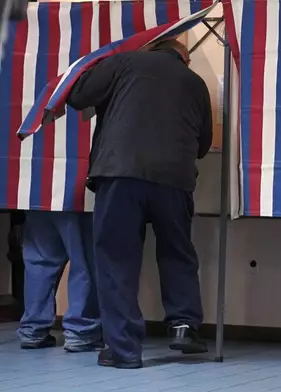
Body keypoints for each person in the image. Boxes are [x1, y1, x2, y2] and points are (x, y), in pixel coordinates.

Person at [66, 39, 213, 369]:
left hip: (121, 173)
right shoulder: (195, 82)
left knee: (117, 258)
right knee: (177, 251)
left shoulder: (124, 63)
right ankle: (184, 325)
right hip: (174, 179)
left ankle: (124, 350)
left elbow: (77, 97)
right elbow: (203, 144)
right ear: (183, 58)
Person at [17, 211, 102, 352]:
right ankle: (81, 331)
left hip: (35, 195)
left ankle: (32, 329)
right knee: (83, 260)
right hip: (75, 196)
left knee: (40, 262)